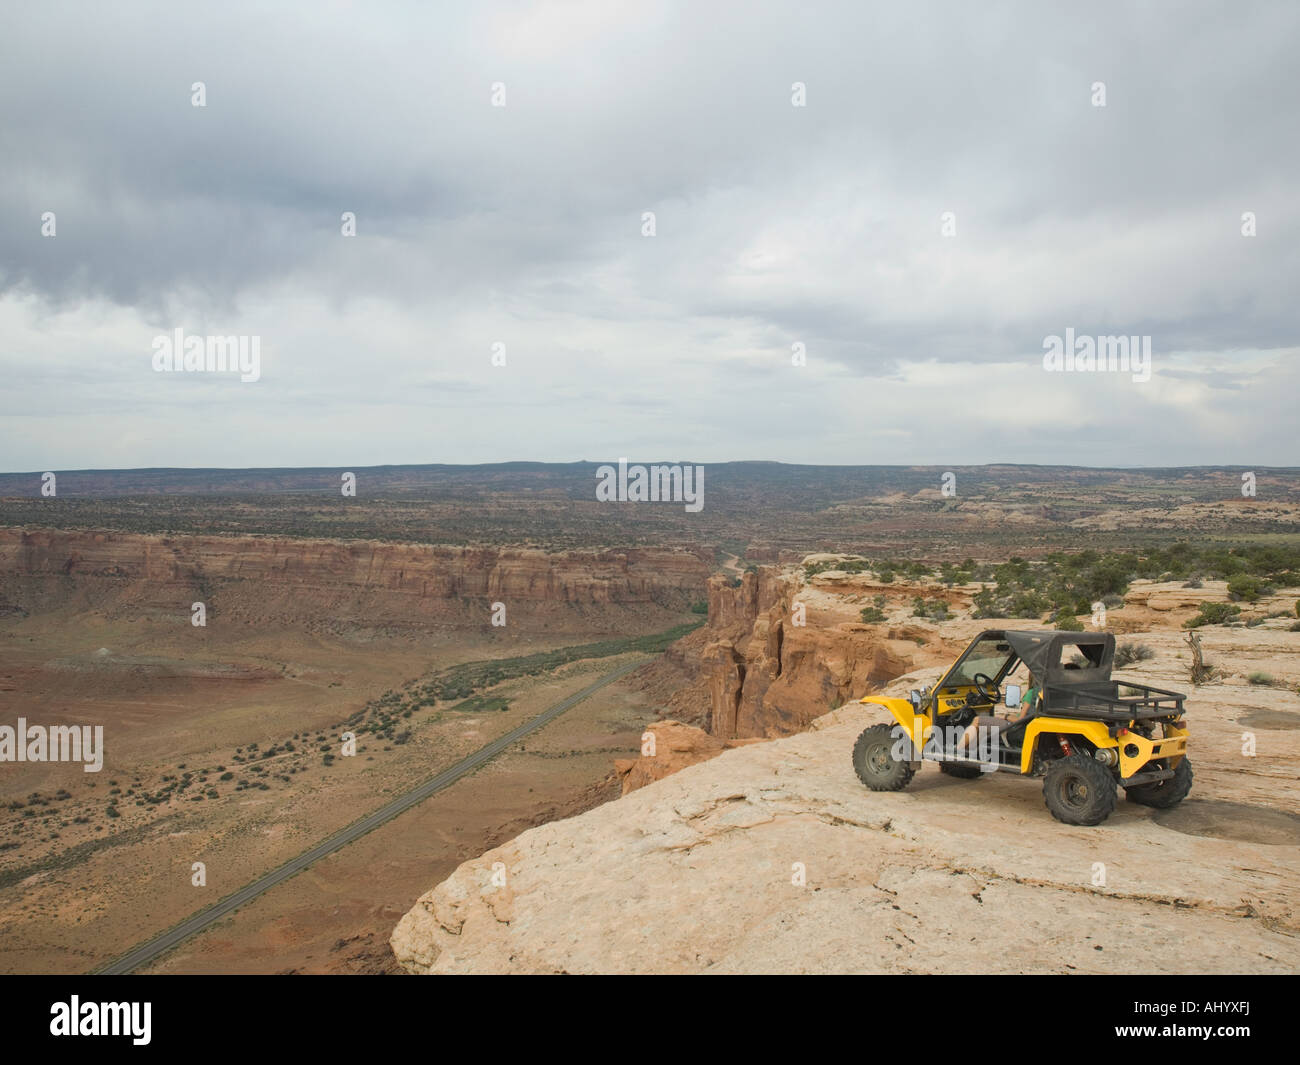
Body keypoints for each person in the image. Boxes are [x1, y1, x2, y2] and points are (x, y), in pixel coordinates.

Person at [958, 673, 1041, 758]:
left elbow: (1020, 719)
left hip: (1013, 727)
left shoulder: (1031, 693)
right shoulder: (1040, 694)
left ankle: (957, 751)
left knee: (977, 720)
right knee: (982, 729)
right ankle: (967, 752)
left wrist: (1005, 716)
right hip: (1019, 727)